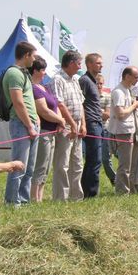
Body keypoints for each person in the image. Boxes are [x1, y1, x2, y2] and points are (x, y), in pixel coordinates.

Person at [3, 41, 40, 206]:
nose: (34, 59)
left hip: (30, 124)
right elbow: (18, 102)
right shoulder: (14, 74)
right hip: (21, 124)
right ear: (26, 55)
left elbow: (28, 100)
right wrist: (30, 126)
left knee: (29, 167)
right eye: (33, 55)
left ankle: (23, 200)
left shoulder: (24, 73)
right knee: (19, 165)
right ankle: (12, 202)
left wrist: (36, 119)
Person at [51, 50, 86, 202]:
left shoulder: (76, 80)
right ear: (71, 63)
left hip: (77, 125)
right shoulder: (57, 79)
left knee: (77, 163)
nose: (80, 67)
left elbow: (81, 103)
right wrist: (72, 124)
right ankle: (61, 198)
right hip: (65, 126)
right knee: (63, 164)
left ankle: (76, 196)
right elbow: (60, 103)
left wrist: (82, 124)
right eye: (79, 64)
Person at [29, 56, 65, 202]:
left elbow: (55, 106)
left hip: (52, 132)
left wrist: (59, 122)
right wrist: (61, 120)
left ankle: (40, 197)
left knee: (47, 167)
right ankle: (33, 198)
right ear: (35, 71)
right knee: (40, 166)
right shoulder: (33, 88)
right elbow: (44, 111)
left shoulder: (44, 87)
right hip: (43, 131)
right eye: (43, 70)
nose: (45, 73)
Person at [107, 66, 138, 195]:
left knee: (129, 164)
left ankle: (128, 189)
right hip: (122, 131)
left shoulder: (127, 90)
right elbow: (120, 114)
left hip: (128, 130)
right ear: (127, 76)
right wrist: (134, 105)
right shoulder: (119, 92)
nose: (137, 79)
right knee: (124, 165)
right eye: (135, 76)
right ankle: (122, 191)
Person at [79, 53, 104, 197]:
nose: (101, 65)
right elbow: (80, 103)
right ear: (89, 64)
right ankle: (90, 193)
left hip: (98, 122)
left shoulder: (94, 81)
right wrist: (84, 123)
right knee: (95, 159)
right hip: (91, 123)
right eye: (98, 63)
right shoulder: (85, 80)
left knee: (94, 159)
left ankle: (88, 190)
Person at [96, 73, 116, 186]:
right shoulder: (88, 97)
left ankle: (114, 178)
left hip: (105, 129)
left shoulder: (107, 97)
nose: (99, 86)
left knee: (106, 158)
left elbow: (107, 115)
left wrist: (95, 111)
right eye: (97, 83)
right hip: (93, 130)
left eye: (101, 84)